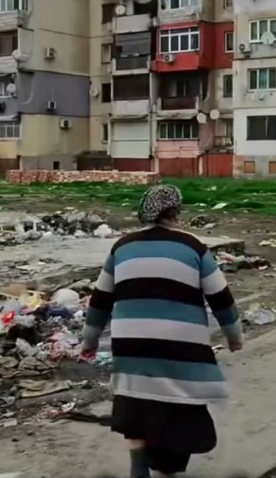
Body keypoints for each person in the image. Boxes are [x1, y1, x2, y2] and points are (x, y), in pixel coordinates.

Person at [81, 184, 243, 478]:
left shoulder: (121, 247)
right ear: (175, 213)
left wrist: (89, 341)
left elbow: (100, 300)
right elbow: (221, 298)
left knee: (135, 405)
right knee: (181, 406)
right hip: (182, 351)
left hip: (133, 349)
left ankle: (138, 463)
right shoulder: (193, 246)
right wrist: (234, 337)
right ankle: (168, 469)